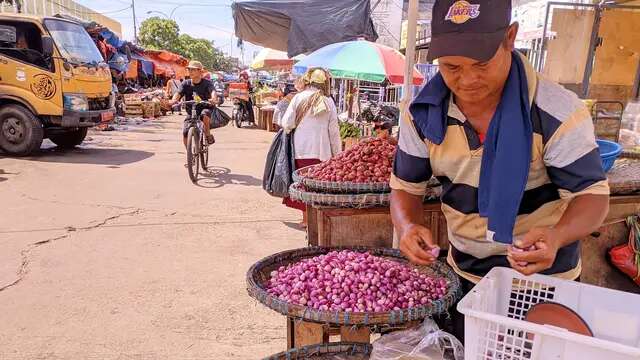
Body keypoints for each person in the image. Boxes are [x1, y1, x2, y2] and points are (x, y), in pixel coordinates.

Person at [390, 0, 609, 339]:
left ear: (510, 37)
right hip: (467, 278)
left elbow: (592, 197)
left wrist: (557, 235)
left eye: (481, 63)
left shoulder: (557, 112)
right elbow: (406, 186)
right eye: (451, 67)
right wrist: (407, 225)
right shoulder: (421, 114)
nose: (467, 80)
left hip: (546, 284)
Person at [280, 68, 342, 226]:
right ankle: (317, 220)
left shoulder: (298, 98)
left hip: (301, 150)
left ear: (308, 82)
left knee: (303, 185)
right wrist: (337, 155)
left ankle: (306, 220)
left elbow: (287, 123)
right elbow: (334, 132)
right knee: (318, 187)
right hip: (322, 152)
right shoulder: (328, 102)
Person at [170, 60, 217, 147]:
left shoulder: (207, 83)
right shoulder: (185, 83)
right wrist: (173, 100)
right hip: (191, 110)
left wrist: (213, 98)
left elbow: (213, 91)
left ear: (200, 71)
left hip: (204, 107)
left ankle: (207, 134)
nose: (190, 72)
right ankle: (190, 155)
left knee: (205, 115)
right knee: (185, 133)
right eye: (189, 70)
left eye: (193, 70)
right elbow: (178, 93)